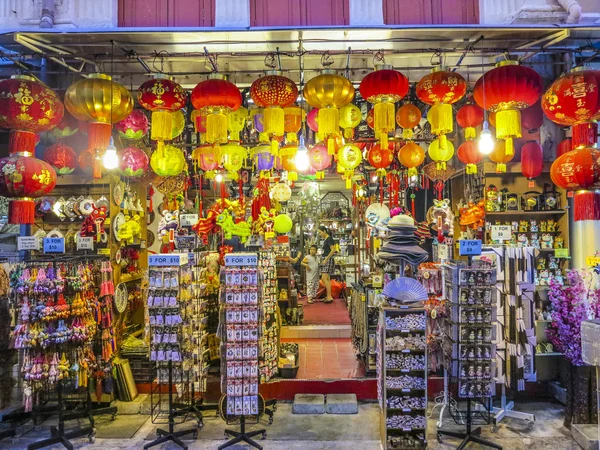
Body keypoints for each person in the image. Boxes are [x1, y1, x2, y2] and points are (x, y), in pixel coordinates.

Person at [318, 225, 337, 303]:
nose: (319, 234)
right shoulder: (326, 239)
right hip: (326, 259)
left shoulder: (329, 239)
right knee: (327, 279)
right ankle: (328, 296)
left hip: (328, 259)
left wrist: (326, 259)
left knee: (324, 278)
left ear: (324, 231)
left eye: (320, 232)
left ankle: (329, 296)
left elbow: (333, 250)